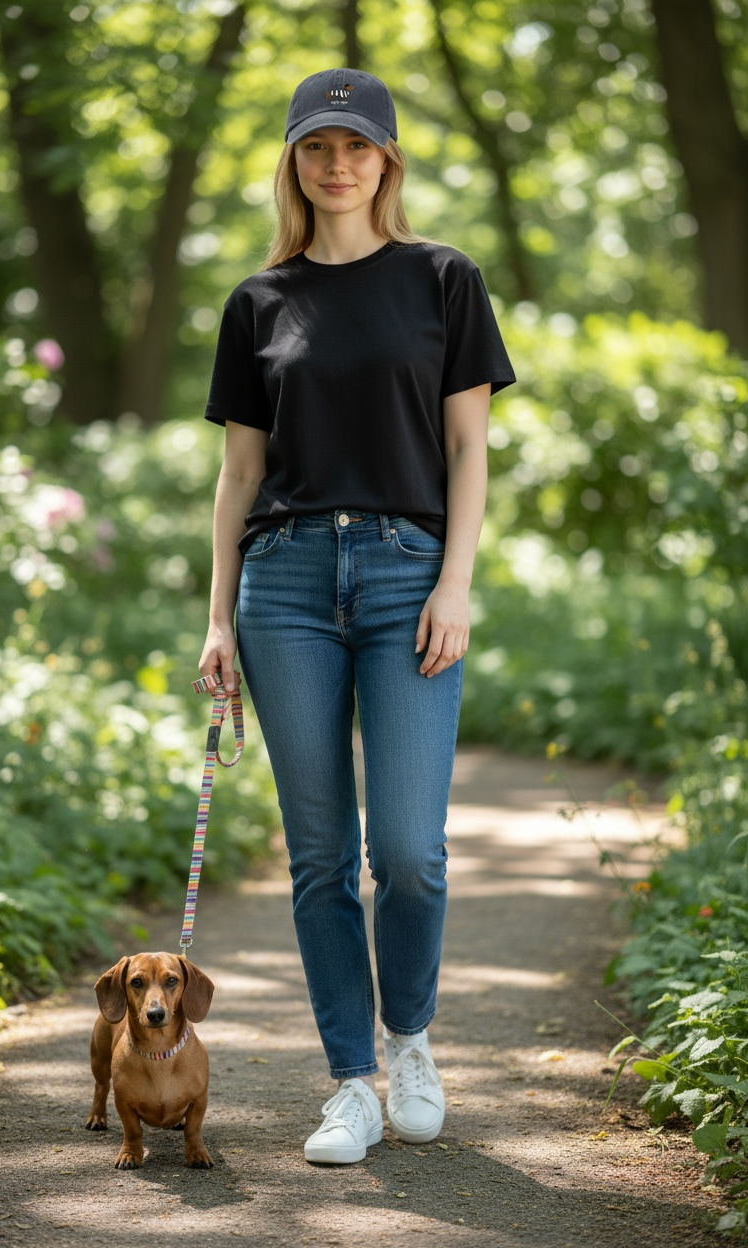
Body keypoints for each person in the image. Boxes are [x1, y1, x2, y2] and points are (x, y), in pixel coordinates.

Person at [198, 67, 515, 1165]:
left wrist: (454, 581)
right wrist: (217, 620)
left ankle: (411, 1041)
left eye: (358, 147)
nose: (338, 166)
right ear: (294, 162)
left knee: (411, 853)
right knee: (320, 853)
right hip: (280, 584)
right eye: (317, 148)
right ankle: (350, 1082)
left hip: (404, 574)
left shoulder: (442, 279)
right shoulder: (257, 301)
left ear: (386, 161)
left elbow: (470, 448)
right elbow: (238, 479)